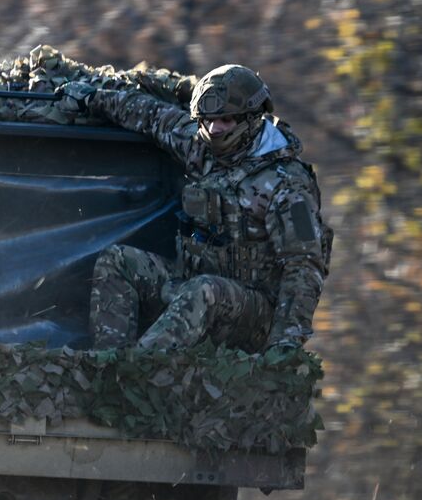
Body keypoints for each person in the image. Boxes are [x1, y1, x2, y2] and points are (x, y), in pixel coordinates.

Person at [58, 65, 331, 355]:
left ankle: (134, 374)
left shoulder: (288, 184)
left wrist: (285, 342)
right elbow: (150, 115)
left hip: (255, 314)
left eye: (225, 120)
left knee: (204, 291)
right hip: (192, 284)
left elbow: (304, 265)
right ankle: (109, 362)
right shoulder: (201, 146)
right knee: (118, 261)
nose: (215, 129)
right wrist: (91, 98)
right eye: (208, 120)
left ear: (251, 118)